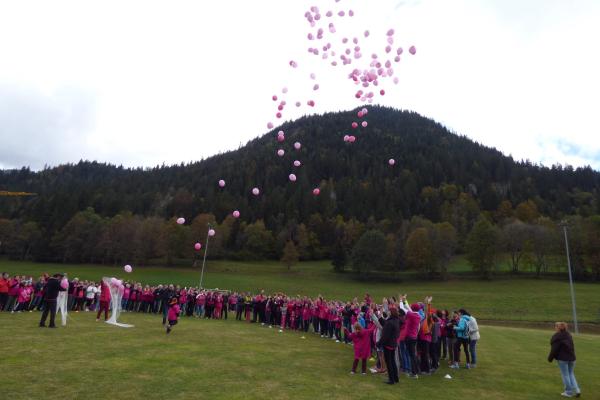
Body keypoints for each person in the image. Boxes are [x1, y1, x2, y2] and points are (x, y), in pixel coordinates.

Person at [548, 322, 580, 398]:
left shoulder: (557, 336)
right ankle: (577, 390)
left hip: (563, 359)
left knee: (565, 375)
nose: (554, 328)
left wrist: (550, 358)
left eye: (555, 326)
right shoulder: (569, 335)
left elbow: (554, 349)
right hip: (572, 358)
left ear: (557, 328)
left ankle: (568, 392)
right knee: (571, 374)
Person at [376, 308, 401, 384]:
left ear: (391, 313)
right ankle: (395, 378)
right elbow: (386, 324)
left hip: (388, 344)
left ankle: (391, 379)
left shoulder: (390, 322)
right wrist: (380, 317)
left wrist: (379, 343)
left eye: (389, 311)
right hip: (393, 344)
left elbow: (385, 335)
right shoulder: (396, 320)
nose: (388, 312)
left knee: (389, 362)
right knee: (392, 361)